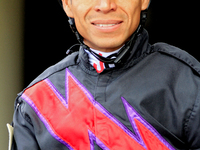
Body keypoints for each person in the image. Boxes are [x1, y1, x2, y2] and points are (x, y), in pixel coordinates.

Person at [8, 0, 200, 149]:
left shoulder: (189, 85)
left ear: (144, 1)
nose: (106, 5)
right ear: (67, 4)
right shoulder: (34, 101)